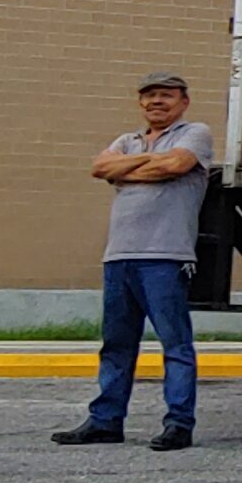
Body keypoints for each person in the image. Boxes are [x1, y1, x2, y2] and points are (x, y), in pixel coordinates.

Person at [53, 73, 218, 451]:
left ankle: (178, 423)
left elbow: (175, 166)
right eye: (149, 96)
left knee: (175, 344)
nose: (156, 102)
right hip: (119, 257)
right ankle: (105, 421)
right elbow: (99, 167)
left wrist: (127, 167)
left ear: (183, 102)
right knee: (116, 344)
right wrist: (143, 161)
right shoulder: (126, 139)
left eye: (166, 95)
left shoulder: (195, 133)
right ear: (140, 103)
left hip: (165, 256)